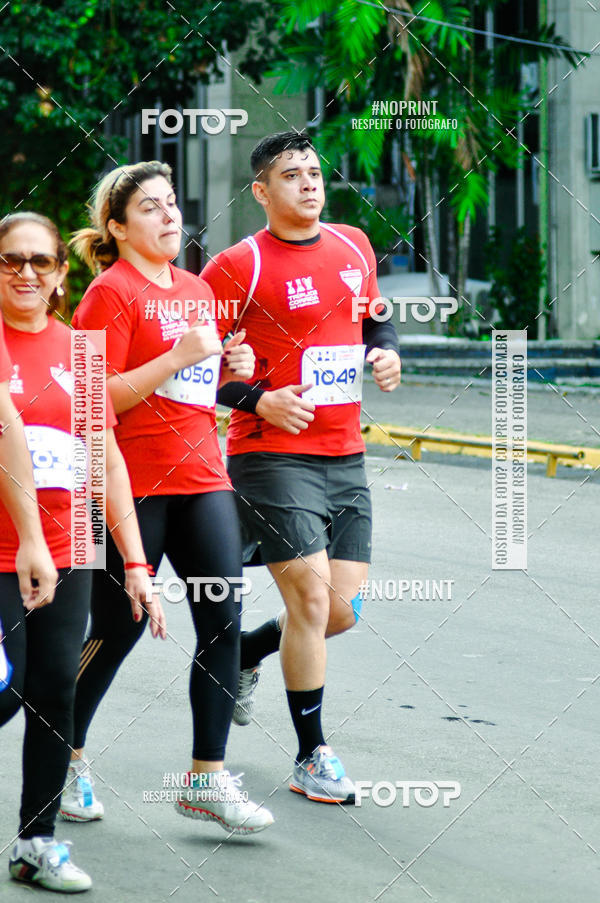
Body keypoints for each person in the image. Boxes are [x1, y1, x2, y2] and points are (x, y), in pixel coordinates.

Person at [67, 160, 273, 834]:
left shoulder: (194, 289)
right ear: (118, 227)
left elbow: (198, 385)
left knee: (222, 621)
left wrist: (230, 371)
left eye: (172, 203)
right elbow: (97, 400)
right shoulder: (109, 293)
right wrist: (179, 357)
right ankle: (65, 753)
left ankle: (206, 777)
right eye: (151, 207)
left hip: (202, 478)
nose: (169, 215)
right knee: (116, 628)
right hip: (131, 484)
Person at [202, 131, 401, 804]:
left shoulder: (353, 246)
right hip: (270, 454)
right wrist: (259, 397)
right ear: (262, 191)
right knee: (311, 600)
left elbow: (373, 320)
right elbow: (193, 372)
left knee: (339, 610)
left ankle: (247, 654)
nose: (310, 184)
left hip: (346, 454)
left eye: (314, 173)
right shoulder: (237, 266)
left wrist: (385, 352)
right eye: (292, 175)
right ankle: (312, 754)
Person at [0, 211, 156, 893]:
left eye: (40, 260)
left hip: (70, 551)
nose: (26, 272)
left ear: (62, 273)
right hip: (4, 554)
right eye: (11, 260)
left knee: (54, 692)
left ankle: (37, 842)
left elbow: (108, 461)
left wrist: (138, 562)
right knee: (3, 693)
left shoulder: (79, 352)